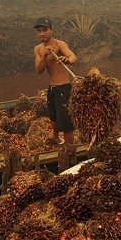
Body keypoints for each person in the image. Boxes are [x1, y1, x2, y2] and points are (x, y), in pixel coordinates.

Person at [33, 16, 78, 145]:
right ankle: (55, 136)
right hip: (52, 87)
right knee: (52, 115)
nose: (42, 33)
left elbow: (73, 57)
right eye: (39, 31)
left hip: (63, 87)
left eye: (45, 30)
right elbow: (39, 71)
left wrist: (67, 60)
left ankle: (70, 148)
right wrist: (44, 56)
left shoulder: (59, 44)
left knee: (65, 123)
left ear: (52, 30)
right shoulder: (38, 49)